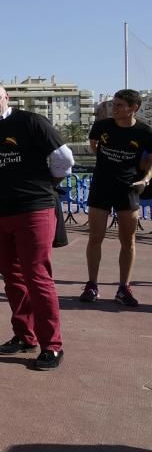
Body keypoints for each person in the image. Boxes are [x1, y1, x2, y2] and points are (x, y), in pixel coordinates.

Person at [0, 80, 74, 371]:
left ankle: (52, 345)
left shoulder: (31, 122)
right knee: (12, 279)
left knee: (37, 277)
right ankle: (24, 335)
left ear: (6, 97)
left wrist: (47, 184)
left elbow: (64, 159)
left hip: (33, 210)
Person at [82, 88, 152, 307]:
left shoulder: (145, 132)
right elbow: (94, 148)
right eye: (113, 104)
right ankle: (92, 285)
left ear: (134, 108)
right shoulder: (102, 127)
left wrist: (146, 180)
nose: (114, 108)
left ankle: (124, 288)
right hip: (101, 187)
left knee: (128, 241)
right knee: (95, 238)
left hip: (128, 189)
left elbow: (148, 164)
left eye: (120, 105)